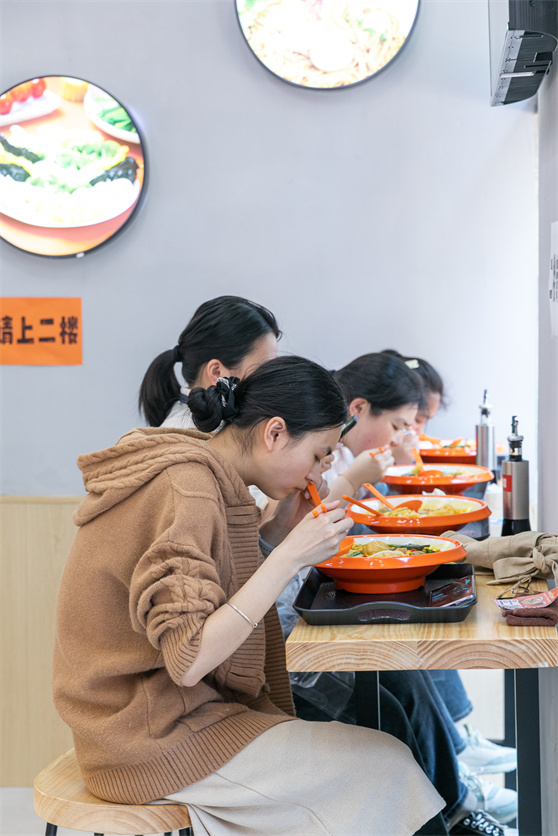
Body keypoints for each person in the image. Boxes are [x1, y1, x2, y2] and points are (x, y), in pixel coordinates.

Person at [53, 356, 445, 836]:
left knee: (386, 757)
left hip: (163, 717)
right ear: (274, 433)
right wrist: (288, 558)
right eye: (321, 454)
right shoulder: (189, 488)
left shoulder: (205, 471)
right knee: (390, 767)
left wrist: (278, 531)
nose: (321, 470)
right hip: (145, 737)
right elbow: (191, 657)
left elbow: (213, 588)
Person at [277, 352, 517, 833]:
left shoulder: (309, 462)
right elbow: (295, 552)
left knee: (407, 669)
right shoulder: (290, 470)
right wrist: (347, 480)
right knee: (396, 697)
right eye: (404, 423)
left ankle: (456, 777)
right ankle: (452, 797)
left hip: (303, 610)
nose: (410, 435)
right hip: (288, 645)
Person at [139, 295, 281, 429]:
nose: (272, 381)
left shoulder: (207, 429)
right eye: (263, 370)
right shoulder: (194, 443)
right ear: (217, 372)